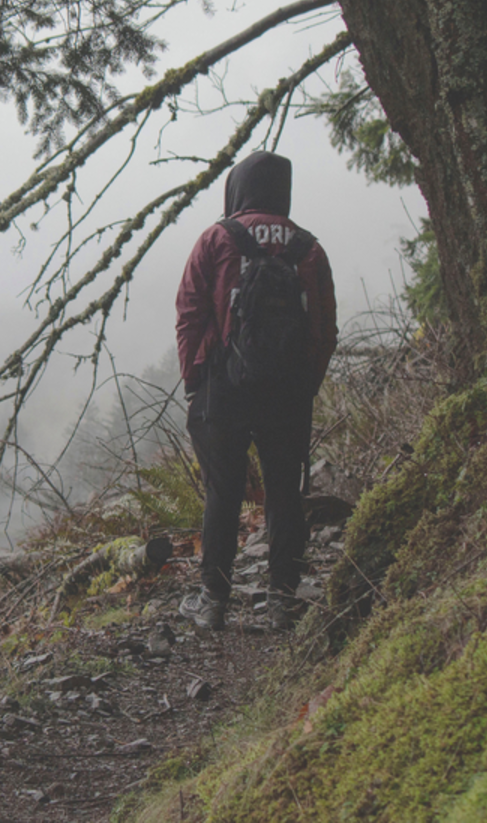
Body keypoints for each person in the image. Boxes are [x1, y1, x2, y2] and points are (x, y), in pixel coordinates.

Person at [174, 151, 337, 631]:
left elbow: (189, 313)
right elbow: (325, 329)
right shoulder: (309, 248)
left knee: (222, 492)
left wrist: (195, 380)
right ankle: (283, 599)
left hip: (222, 386)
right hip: (288, 389)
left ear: (237, 187)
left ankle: (213, 601)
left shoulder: (217, 238)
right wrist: (308, 383)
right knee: (285, 490)